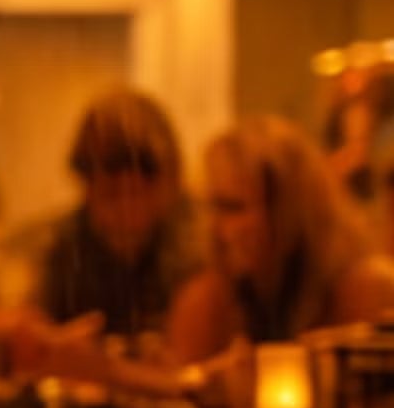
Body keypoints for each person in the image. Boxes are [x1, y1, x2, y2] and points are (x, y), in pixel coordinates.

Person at [0, 89, 200, 388]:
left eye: (145, 169)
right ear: (86, 179)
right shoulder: (48, 250)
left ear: (170, 178)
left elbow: (198, 369)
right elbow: (28, 355)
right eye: (110, 169)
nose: (127, 184)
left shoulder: (197, 249)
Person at [167, 115, 394, 372]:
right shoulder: (209, 299)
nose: (217, 228)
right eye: (212, 207)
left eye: (233, 208)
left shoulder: (365, 290)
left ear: (286, 211)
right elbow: (181, 388)